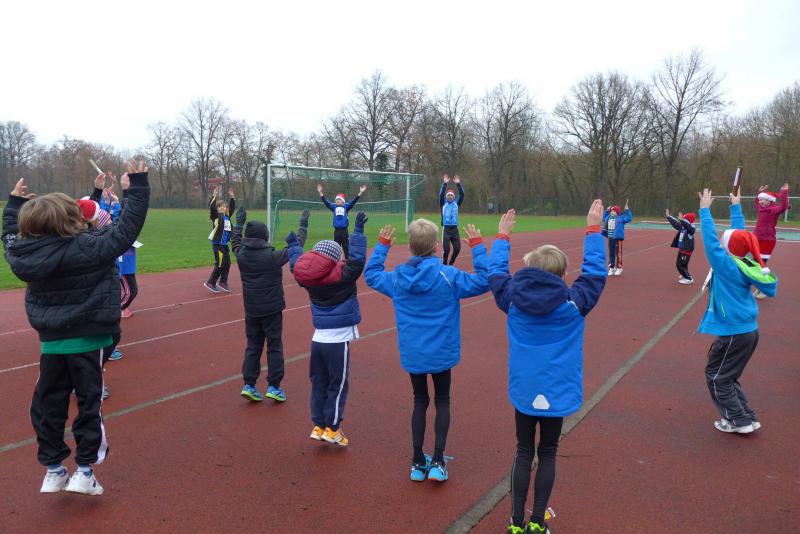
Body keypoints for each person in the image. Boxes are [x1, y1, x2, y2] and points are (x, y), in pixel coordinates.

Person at [1, 160, 150, 496]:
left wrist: (13, 206)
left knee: (47, 405)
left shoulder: (24, 255)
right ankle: (84, 471)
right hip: (90, 339)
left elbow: (9, 239)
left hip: (52, 342)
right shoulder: (90, 246)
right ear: (72, 220)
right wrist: (137, 187)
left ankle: (54, 469)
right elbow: (126, 229)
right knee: (88, 404)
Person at [488, 203, 607, 534]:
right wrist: (593, 230)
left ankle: (515, 522)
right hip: (557, 388)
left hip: (525, 387)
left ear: (529, 270)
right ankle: (537, 522)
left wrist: (503, 236)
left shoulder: (512, 299)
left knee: (523, 450)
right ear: (563, 275)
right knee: (548, 452)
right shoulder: (575, 303)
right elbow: (595, 274)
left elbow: (496, 273)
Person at [364, 218, 489, 482]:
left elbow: (372, 275)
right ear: (436, 246)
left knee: (420, 400)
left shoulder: (398, 278)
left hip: (414, 352)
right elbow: (484, 281)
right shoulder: (448, 275)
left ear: (410, 246)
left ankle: (417, 460)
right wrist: (478, 247)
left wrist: (382, 246)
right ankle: (438, 461)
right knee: (442, 400)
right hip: (441, 352)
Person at [697, 189, 777, 434]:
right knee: (726, 377)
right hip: (747, 331)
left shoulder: (726, 265)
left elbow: (711, 243)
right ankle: (747, 417)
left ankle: (738, 422)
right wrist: (735, 207)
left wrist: (705, 211)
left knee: (716, 377)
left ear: (728, 248)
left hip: (734, 334)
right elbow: (741, 237)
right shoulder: (745, 261)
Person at [287, 211, 369, 447]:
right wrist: (358, 231)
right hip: (337, 342)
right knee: (338, 384)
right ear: (334, 259)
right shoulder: (343, 276)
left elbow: (296, 264)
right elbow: (357, 261)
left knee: (319, 382)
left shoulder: (306, 279)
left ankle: (318, 425)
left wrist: (294, 245)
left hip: (318, 339)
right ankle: (332, 429)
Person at [231, 206, 309, 403]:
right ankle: (274, 386)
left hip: (251, 310)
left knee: (253, 345)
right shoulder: (272, 257)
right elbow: (296, 247)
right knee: (274, 346)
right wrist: (303, 225)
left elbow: (235, 241)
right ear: (264, 236)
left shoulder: (241, 254)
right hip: (272, 310)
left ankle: (249, 384)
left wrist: (238, 224)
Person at [752, 183, 790, 298]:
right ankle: (760, 287)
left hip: (767, 241)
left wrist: (784, 192)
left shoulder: (774, 210)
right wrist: (759, 192)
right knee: (756, 265)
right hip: (756, 239)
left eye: (763, 199)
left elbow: (784, 206)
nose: (760, 202)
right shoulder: (760, 208)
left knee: (761, 265)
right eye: (760, 200)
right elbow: (756, 201)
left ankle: (764, 289)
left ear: (769, 201)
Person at [318, 182, 367, 259]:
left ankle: (347, 260)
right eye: (336, 199)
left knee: (346, 246)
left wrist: (360, 192)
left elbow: (354, 201)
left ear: (343, 201)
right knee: (336, 247)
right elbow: (326, 202)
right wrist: (320, 192)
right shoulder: (334, 207)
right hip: (337, 231)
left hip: (344, 231)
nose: (337, 201)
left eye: (339, 199)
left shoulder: (346, 206)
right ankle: (336, 260)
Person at [204, 186, 235, 293]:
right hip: (217, 244)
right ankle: (210, 282)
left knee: (227, 263)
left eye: (224, 207)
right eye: (220, 207)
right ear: (217, 209)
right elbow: (212, 208)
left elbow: (232, 209)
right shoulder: (216, 216)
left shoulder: (227, 217)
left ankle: (223, 282)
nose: (222, 208)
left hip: (224, 245)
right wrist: (214, 195)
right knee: (220, 264)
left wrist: (232, 198)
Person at [438, 174, 465, 265]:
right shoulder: (443, 204)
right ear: (446, 197)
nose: (450, 196)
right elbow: (441, 194)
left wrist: (458, 184)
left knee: (457, 249)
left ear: (454, 197)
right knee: (446, 250)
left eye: (451, 195)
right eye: (448, 195)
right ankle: (444, 263)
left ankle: (451, 263)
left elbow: (462, 195)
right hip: (446, 229)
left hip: (454, 230)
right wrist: (444, 184)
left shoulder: (456, 204)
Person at [666, 209, 696, 284]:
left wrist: (682, 220)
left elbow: (689, 228)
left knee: (680, 265)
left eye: (684, 219)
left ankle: (689, 279)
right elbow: (675, 223)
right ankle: (685, 275)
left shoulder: (691, 228)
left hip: (686, 250)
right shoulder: (683, 227)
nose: (681, 221)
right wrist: (668, 216)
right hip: (682, 249)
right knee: (682, 264)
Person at [602, 200, 632, 276]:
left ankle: (619, 267)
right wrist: (607, 211)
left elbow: (629, 218)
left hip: (618, 239)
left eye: (613, 211)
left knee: (618, 253)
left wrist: (627, 210)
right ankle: (612, 267)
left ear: (617, 212)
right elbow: (604, 218)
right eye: (611, 211)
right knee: (611, 253)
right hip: (611, 238)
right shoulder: (608, 218)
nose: (612, 212)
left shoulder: (621, 218)